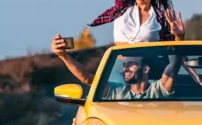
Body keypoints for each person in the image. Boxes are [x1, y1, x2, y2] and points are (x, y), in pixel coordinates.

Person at [51, 34, 182, 100]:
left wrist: (178, 38)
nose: (125, 68)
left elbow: (174, 66)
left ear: (146, 69)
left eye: (131, 64)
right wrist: (63, 56)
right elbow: (87, 79)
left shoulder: (157, 89)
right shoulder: (116, 92)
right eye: (124, 65)